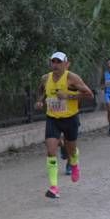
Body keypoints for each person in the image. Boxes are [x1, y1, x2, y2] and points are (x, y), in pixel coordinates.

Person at [34, 51, 93, 199]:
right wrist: (40, 100)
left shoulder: (72, 78)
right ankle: (54, 187)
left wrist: (69, 96)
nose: (55, 65)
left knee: (71, 150)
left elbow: (89, 94)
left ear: (66, 64)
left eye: (59, 62)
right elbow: (41, 90)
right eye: (53, 62)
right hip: (52, 118)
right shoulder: (46, 78)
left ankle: (74, 162)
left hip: (70, 118)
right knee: (51, 150)